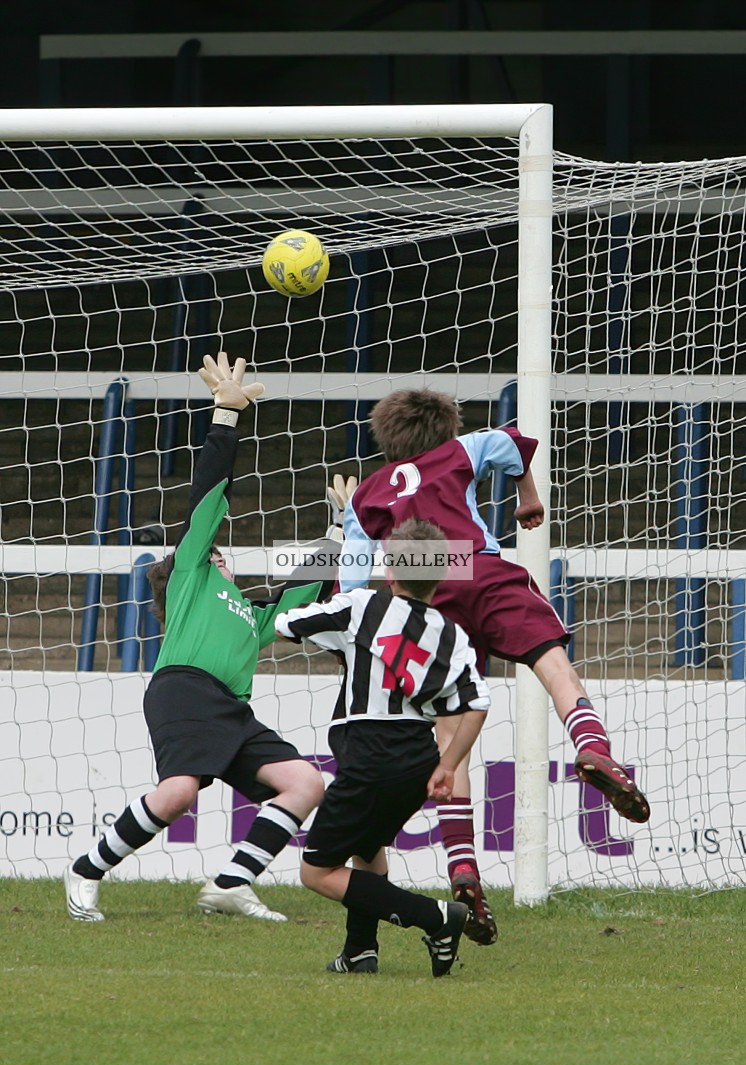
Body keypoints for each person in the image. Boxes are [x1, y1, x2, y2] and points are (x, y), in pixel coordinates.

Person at [337, 388, 651, 946]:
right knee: (555, 667)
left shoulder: (366, 493)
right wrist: (528, 497)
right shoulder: (462, 448)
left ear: (385, 439)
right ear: (445, 426)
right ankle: (593, 747)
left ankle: (463, 868)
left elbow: (352, 584)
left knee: (449, 735)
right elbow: (515, 444)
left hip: (426, 590)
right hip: (477, 564)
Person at [64, 353, 328, 924]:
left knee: (306, 782)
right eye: (213, 546)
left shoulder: (248, 613)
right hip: (182, 691)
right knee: (179, 793)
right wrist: (226, 418)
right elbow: (208, 493)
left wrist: (337, 534)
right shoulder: (192, 575)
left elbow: (301, 595)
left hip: (232, 710)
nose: (222, 549)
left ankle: (231, 884)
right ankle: (86, 869)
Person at [276, 519, 491, 977]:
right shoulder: (451, 634)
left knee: (316, 872)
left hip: (371, 753)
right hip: (418, 758)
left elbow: (287, 623)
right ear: (440, 576)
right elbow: (476, 704)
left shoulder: (362, 606)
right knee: (368, 847)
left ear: (389, 570)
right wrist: (448, 766)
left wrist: (331, 544)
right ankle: (359, 950)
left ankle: (434, 918)